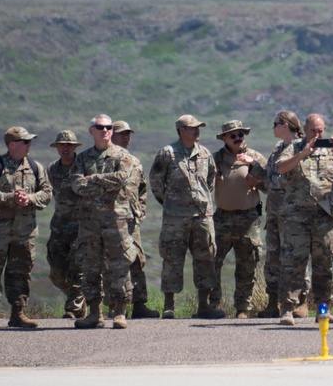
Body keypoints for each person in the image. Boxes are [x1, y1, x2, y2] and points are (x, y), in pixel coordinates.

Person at [275, 113, 333, 326]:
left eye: (321, 131)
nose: (317, 134)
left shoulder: (332, 152)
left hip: (323, 218)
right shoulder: (295, 147)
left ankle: (323, 310)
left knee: (324, 265)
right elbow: (280, 168)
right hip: (296, 218)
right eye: (313, 130)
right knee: (293, 263)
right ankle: (287, 309)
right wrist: (303, 153)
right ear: (305, 130)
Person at [0, 126, 52, 330]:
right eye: (25, 142)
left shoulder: (36, 167)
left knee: (21, 272)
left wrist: (29, 199)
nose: (29, 145)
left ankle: (18, 313)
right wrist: (11, 198)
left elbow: (46, 193)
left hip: (24, 232)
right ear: (12, 144)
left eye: (29, 142)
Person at [70, 114, 142, 330]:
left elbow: (121, 178)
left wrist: (92, 180)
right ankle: (95, 314)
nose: (105, 130)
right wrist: (102, 184)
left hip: (116, 220)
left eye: (109, 127)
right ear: (92, 130)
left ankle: (120, 313)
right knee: (91, 266)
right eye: (100, 127)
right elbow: (76, 185)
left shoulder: (122, 155)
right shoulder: (82, 159)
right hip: (90, 222)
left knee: (119, 265)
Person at [150, 114, 224, 320]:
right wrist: (170, 203)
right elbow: (156, 182)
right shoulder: (168, 153)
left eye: (198, 127)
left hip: (201, 216)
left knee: (205, 259)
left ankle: (204, 305)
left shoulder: (205, 154)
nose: (197, 131)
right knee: (172, 259)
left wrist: (202, 202)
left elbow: (210, 182)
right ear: (182, 130)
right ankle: (169, 306)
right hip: (175, 217)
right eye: (192, 128)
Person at [212, 119, 267, 318]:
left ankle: (243, 308)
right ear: (225, 139)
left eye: (241, 135)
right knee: (213, 262)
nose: (238, 138)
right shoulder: (215, 159)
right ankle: (214, 306)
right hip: (222, 218)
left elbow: (271, 185)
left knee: (247, 264)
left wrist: (257, 181)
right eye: (233, 136)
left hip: (248, 219)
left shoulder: (255, 158)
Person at [257, 111, 305, 318]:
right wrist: (253, 168)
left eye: (275, 123)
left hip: (293, 212)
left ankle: (300, 301)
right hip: (275, 212)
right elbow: (270, 180)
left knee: (295, 256)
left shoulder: (301, 148)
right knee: (273, 257)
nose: (273, 127)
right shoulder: (278, 149)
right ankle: (272, 302)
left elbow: (295, 179)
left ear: (285, 125)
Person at [111, 120, 160, 319]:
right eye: (122, 133)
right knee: (111, 262)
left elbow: (142, 189)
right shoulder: (105, 159)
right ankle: (112, 306)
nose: (126, 137)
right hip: (110, 220)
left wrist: (140, 212)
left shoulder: (135, 161)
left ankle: (139, 304)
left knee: (137, 260)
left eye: (128, 134)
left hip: (131, 221)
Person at [46, 129, 86, 319]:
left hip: (80, 227)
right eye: (62, 145)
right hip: (59, 227)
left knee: (77, 270)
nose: (65, 148)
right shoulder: (52, 170)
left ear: (74, 147)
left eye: (69, 145)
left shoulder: (83, 166)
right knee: (56, 273)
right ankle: (78, 299)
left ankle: (73, 307)